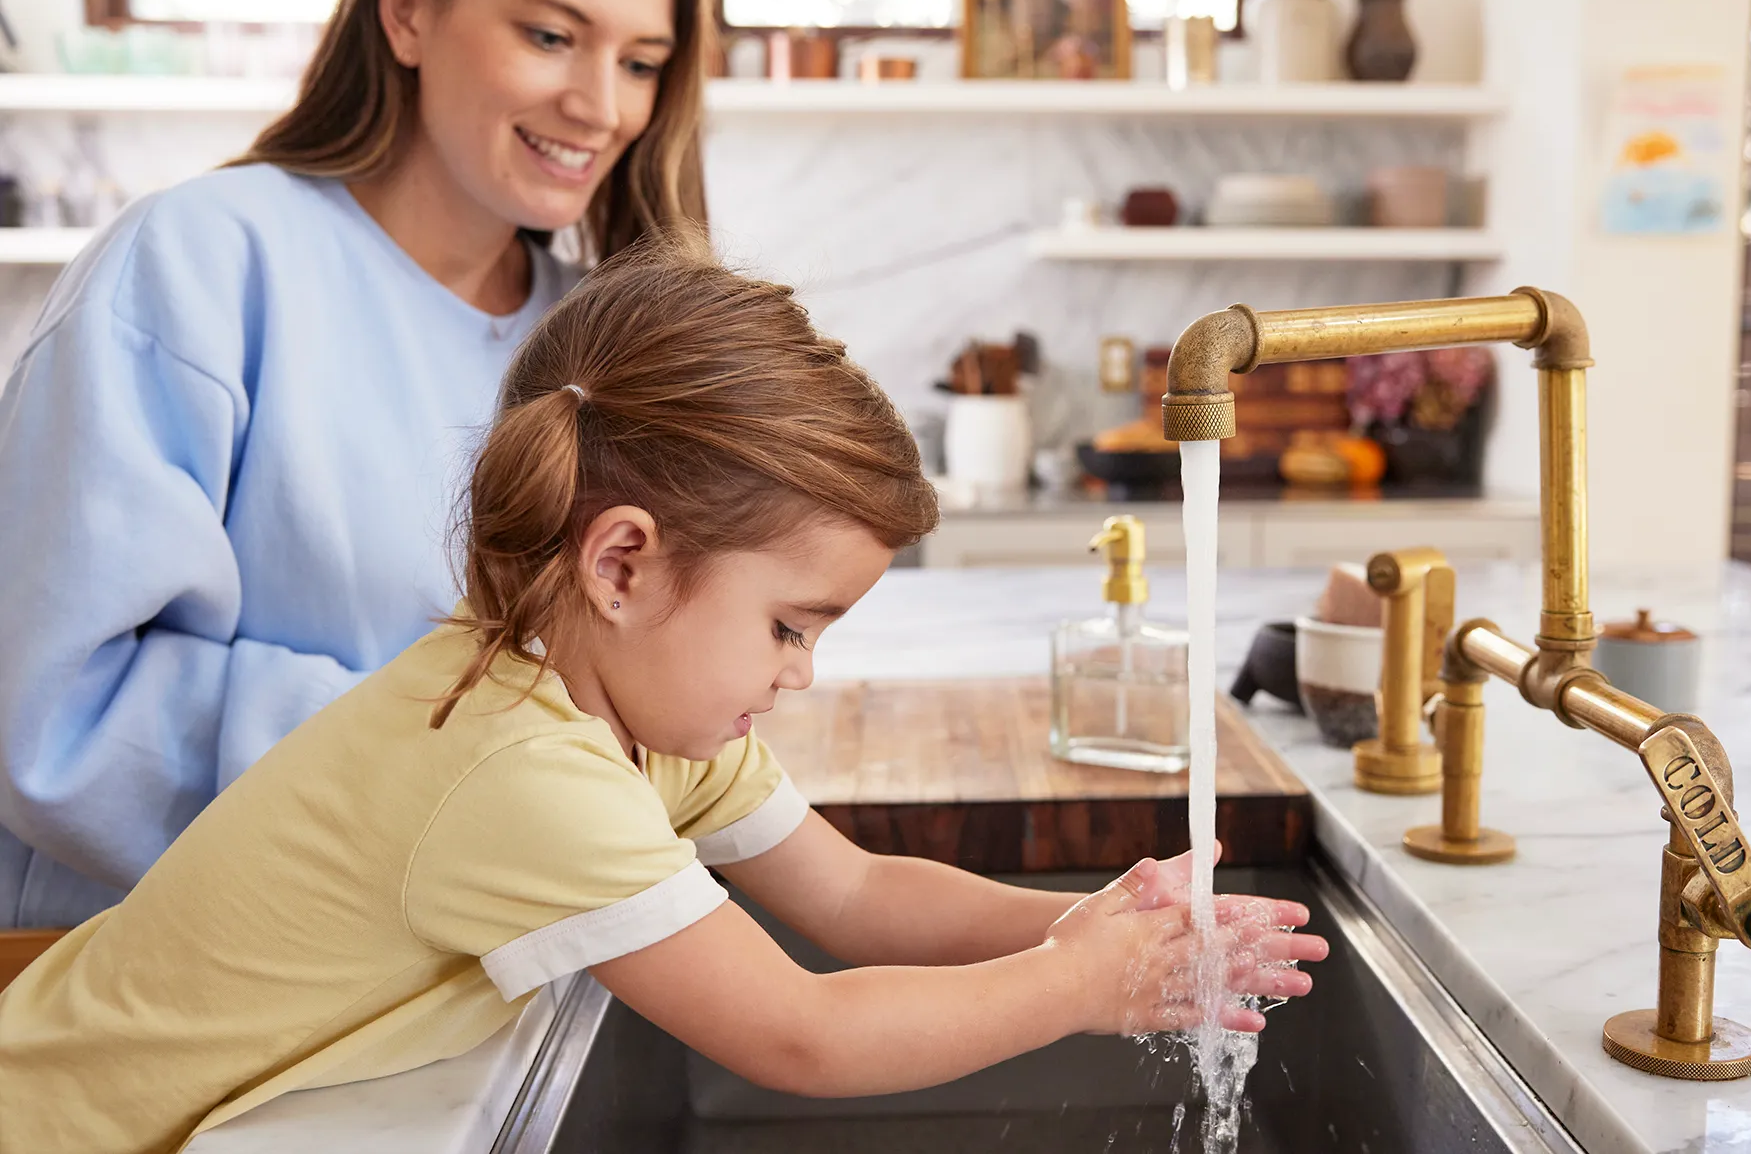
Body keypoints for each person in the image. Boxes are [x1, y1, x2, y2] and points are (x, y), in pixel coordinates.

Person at [0, 242, 1327, 1151]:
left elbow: (854, 897)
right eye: (789, 623)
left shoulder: (625, 714)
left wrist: (1069, 926)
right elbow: (799, 1032)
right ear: (625, 560)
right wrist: (1077, 989)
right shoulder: (520, 773)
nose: (803, 670)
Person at [0, 0, 713, 929]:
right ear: (407, 10)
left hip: (456, 988)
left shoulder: (597, 344)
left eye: (640, 62)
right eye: (550, 35)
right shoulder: (203, 262)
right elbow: (51, 711)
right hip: (172, 1004)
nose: (601, 105)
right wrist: (477, 757)